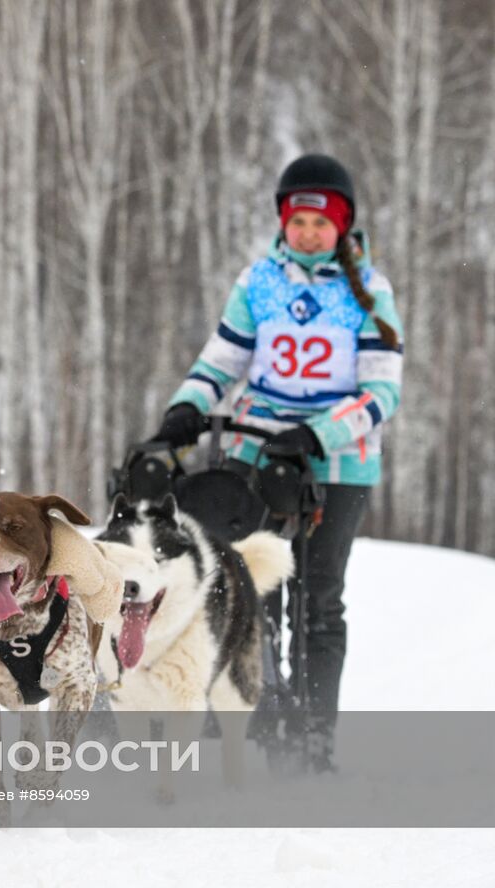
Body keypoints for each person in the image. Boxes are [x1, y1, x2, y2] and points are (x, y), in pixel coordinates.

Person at [149, 153, 404, 770]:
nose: (310, 234)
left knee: (319, 598)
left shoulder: (368, 290)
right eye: (299, 222)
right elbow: (221, 361)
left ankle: (313, 740)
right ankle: (263, 723)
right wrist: (185, 410)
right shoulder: (258, 282)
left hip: (336, 465)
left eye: (322, 224)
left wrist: (315, 434)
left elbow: (382, 391)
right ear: (283, 223)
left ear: (341, 226)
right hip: (254, 458)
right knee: (255, 588)